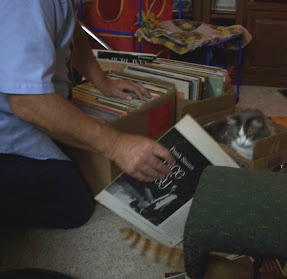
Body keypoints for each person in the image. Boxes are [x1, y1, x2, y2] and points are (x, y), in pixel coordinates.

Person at [0, 0, 175, 229]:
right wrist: (117, 145)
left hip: (23, 111)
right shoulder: (28, 4)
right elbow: (28, 103)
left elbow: (71, 28)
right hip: (11, 125)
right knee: (71, 204)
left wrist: (102, 81)